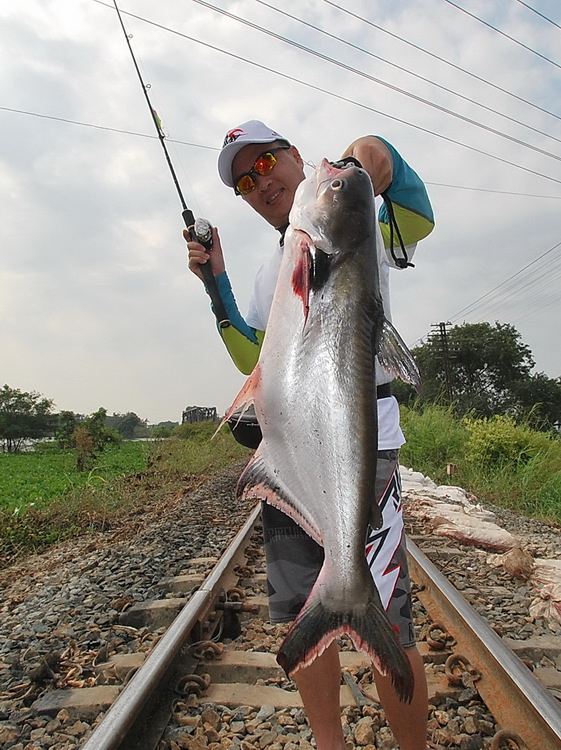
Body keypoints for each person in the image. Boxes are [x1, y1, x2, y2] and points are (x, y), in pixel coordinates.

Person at [186, 120, 434, 750]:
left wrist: (379, 160)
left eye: (266, 163)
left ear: (297, 157)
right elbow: (253, 358)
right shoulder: (279, 262)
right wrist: (215, 283)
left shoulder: (357, 229)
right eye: (244, 181)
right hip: (294, 457)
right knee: (304, 613)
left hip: (359, 453)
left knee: (393, 623)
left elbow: (416, 213)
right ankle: (330, 744)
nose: (258, 182)